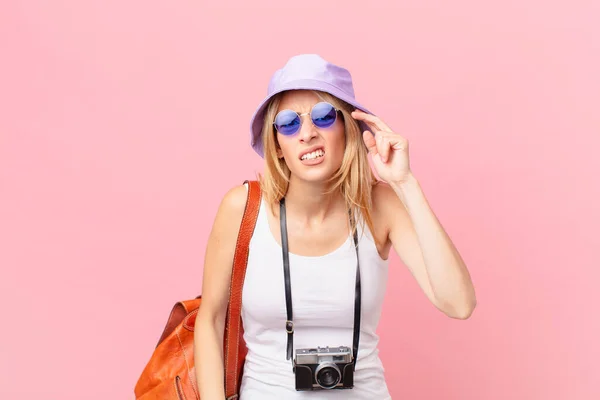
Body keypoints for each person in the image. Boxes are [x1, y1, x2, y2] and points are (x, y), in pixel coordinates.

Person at [193, 54, 476, 399]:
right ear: (277, 144)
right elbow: (210, 320)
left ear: (349, 128)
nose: (308, 134)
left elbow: (459, 304)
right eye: (288, 123)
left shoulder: (381, 207)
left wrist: (405, 184)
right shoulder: (241, 208)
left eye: (324, 116)